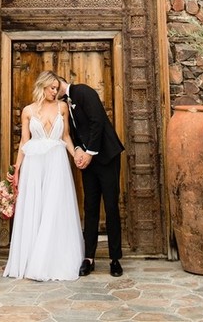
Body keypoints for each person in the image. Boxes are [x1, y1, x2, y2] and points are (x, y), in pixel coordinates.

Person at [3, 70, 84, 281]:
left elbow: (65, 135)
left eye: (57, 89)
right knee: (35, 208)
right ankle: (31, 258)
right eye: (52, 88)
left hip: (57, 162)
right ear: (42, 86)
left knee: (54, 207)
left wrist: (75, 154)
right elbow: (24, 142)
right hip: (34, 164)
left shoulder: (62, 107)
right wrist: (17, 168)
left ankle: (52, 260)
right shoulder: (28, 111)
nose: (55, 92)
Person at [56, 75, 125, 277]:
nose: (52, 92)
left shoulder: (84, 91)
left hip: (106, 157)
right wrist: (78, 150)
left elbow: (98, 122)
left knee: (111, 206)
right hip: (87, 162)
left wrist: (89, 153)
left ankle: (115, 259)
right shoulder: (64, 104)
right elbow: (74, 133)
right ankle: (89, 257)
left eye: (54, 87)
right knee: (90, 206)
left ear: (60, 83)